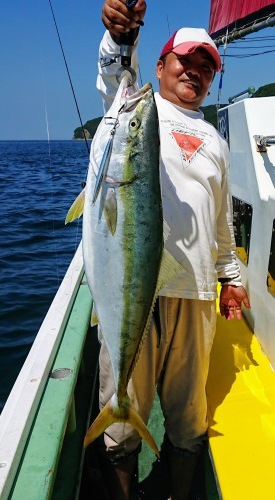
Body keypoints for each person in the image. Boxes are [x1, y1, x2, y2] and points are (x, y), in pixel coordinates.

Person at [95, 1, 251, 498]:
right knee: (124, 416)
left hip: (198, 294)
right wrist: (124, 33)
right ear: (160, 66)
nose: (197, 72)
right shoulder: (133, 110)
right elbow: (115, 67)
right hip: (134, 285)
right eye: (186, 60)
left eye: (207, 67)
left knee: (188, 419)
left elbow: (222, 223)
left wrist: (232, 278)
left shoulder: (216, 141)